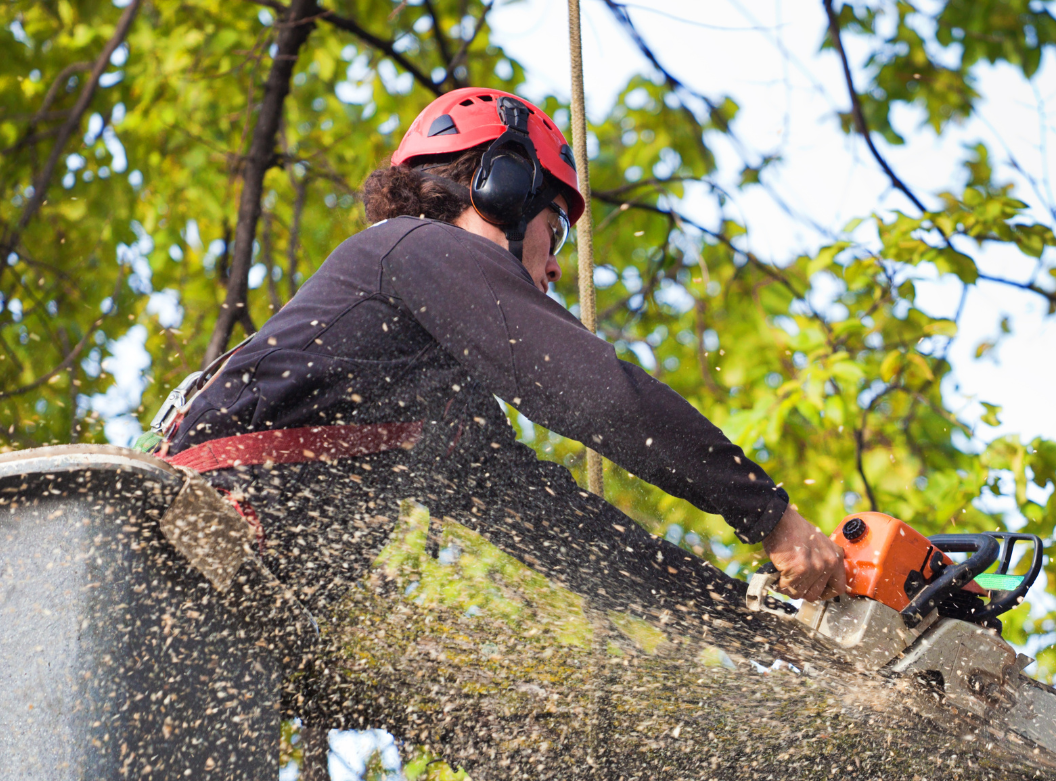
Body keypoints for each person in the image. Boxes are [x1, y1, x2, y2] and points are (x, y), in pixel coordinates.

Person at [159, 86, 846, 605]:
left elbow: (566, 534)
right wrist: (769, 515)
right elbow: (599, 396)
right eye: (557, 227)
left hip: (222, 599)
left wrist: (750, 620)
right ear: (503, 189)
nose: (554, 267)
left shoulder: (437, 398)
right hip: (181, 548)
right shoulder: (413, 248)